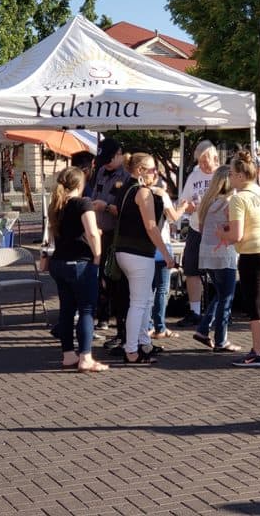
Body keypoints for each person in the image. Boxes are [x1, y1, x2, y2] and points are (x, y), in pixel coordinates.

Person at [217, 151, 260, 367]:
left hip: (254, 253)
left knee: (256, 306)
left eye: (231, 173)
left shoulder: (238, 198)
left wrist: (222, 234)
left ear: (239, 176)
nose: (229, 178)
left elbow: (236, 235)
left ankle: (257, 353)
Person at [115, 153, 175, 364]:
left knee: (144, 300)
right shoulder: (142, 192)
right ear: (140, 170)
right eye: (152, 170)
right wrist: (166, 254)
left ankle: (143, 343)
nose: (156, 174)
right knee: (139, 302)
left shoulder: (126, 188)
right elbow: (151, 227)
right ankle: (132, 350)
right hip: (138, 253)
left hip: (125, 251)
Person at [47, 167, 107, 373]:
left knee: (66, 309)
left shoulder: (56, 205)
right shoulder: (84, 203)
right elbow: (91, 232)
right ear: (80, 184)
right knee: (87, 310)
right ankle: (85, 357)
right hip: (80, 262)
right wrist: (98, 255)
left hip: (59, 262)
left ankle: (68, 354)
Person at [192, 165, 241, 352]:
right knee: (226, 297)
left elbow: (203, 229)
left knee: (220, 295)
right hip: (223, 252)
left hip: (207, 252)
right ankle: (221, 340)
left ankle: (203, 329)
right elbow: (234, 228)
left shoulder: (208, 201)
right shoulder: (230, 202)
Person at [176, 140, 219, 327]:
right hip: (196, 227)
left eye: (205, 161)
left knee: (218, 271)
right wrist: (189, 207)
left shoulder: (223, 174)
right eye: (199, 162)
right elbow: (183, 202)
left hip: (217, 230)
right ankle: (194, 311)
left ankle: (218, 310)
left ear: (214, 158)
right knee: (191, 269)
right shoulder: (194, 176)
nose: (202, 165)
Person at [89, 138, 130, 335]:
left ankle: (119, 321)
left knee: (116, 277)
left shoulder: (128, 175)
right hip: (101, 232)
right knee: (102, 276)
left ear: (119, 154)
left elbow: (125, 210)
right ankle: (103, 316)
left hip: (118, 234)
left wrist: (104, 207)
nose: (106, 163)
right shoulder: (101, 172)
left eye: (109, 159)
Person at [149, 178, 189, 340]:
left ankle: (148, 325)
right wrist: (183, 207)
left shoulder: (136, 193)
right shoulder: (160, 194)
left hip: (144, 248)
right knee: (162, 288)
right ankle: (159, 326)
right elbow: (173, 217)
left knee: (148, 290)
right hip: (162, 246)